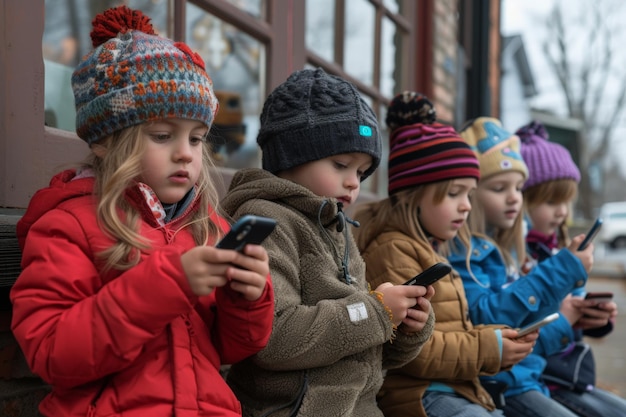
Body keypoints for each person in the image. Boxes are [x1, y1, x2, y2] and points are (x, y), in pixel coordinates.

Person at [10, 6, 274, 417]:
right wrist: (168, 282)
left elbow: (228, 349)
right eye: (163, 135)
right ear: (104, 142)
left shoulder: (207, 227)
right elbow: (51, 352)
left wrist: (246, 299)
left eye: (198, 138)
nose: (185, 152)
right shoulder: (68, 225)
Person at [221, 69, 435, 417]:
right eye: (341, 165)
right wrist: (376, 311)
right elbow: (274, 340)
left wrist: (406, 325)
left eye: (362, 172)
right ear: (291, 156)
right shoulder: (265, 221)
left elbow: (366, 354)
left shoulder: (336, 227)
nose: (353, 183)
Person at [354, 92, 537, 417]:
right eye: (454, 194)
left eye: (469, 193)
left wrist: (496, 336)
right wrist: (489, 348)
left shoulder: (426, 245)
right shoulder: (393, 249)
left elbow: (451, 329)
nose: (466, 205)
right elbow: (416, 351)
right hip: (420, 397)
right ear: (413, 196)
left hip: (455, 389)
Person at [448, 117, 595, 417]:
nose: (515, 198)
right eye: (500, 188)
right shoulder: (462, 253)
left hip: (526, 379)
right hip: (502, 386)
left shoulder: (508, 252)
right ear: (470, 196)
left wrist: (576, 308)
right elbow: (485, 319)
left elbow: (532, 331)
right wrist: (561, 273)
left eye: (518, 187)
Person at [518, 120, 626, 417]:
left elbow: (572, 306)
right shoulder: (518, 258)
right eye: (551, 201)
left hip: (568, 374)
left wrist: (592, 318)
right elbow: (521, 331)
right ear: (520, 200)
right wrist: (567, 317)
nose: (562, 211)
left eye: (566, 200)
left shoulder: (559, 249)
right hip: (542, 379)